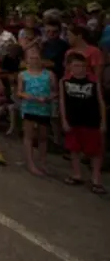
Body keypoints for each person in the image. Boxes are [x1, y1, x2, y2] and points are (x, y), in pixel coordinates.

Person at [60, 52, 106, 194]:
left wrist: (103, 121)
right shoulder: (65, 81)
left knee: (95, 151)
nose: (79, 68)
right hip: (73, 120)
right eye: (76, 65)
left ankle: (96, 179)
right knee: (74, 149)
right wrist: (64, 120)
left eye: (82, 66)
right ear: (69, 67)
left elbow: (101, 102)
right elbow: (62, 101)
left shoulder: (93, 81)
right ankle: (77, 174)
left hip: (91, 120)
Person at [16, 48, 56, 176]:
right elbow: (19, 91)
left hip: (44, 107)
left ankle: (43, 162)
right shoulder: (23, 75)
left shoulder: (49, 74)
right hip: (29, 107)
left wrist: (47, 98)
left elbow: (54, 90)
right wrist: (27, 96)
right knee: (29, 135)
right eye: (31, 58)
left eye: (36, 58)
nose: (34, 60)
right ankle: (30, 162)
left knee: (43, 136)